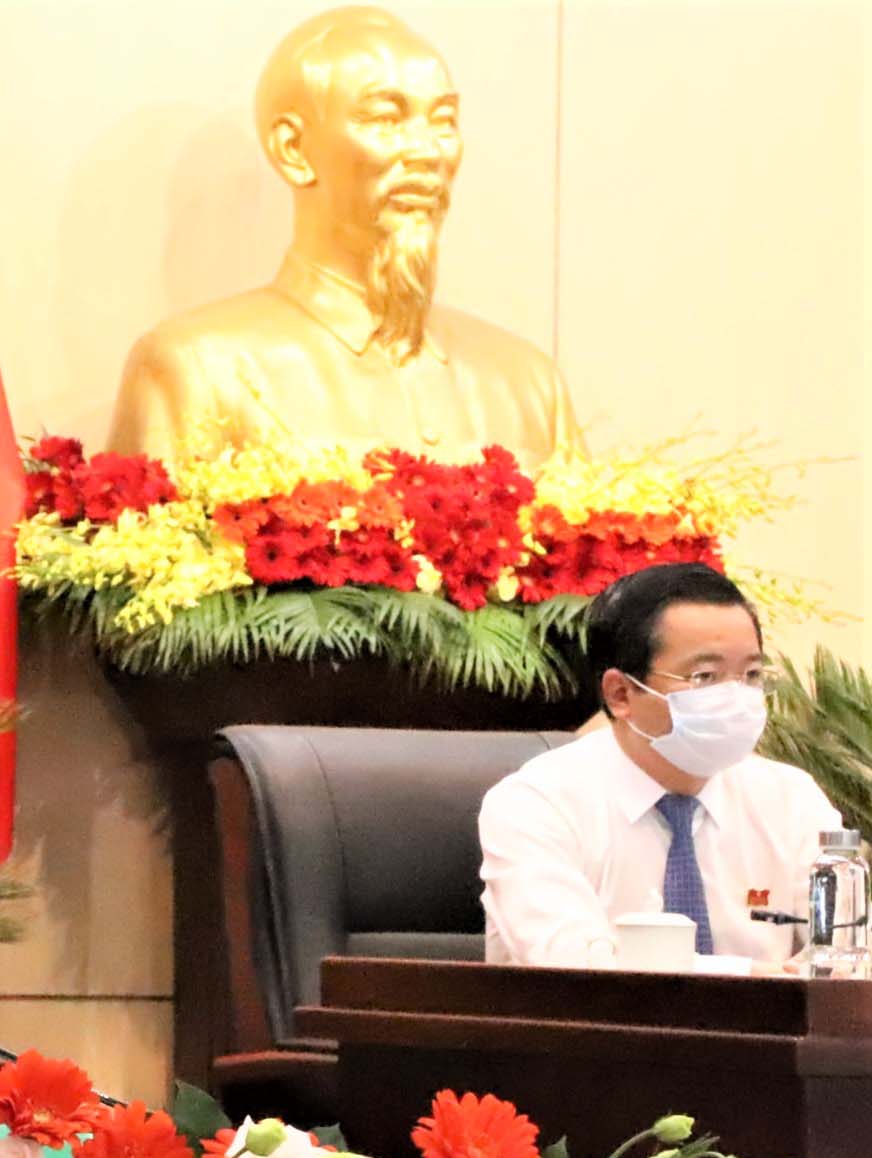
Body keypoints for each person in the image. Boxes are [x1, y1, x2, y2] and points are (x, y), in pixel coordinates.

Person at [107, 5, 580, 468]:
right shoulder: (197, 367)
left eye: (443, 121)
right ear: (293, 149)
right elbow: (155, 544)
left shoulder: (529, 384)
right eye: (385, 119)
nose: (427, 152)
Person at [480, 562, 839, 969]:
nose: (736, 697)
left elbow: (851, 947)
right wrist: (751, 979)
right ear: (620, 693)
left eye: (751, 674)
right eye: (705, 677)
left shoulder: (791, 799)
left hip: (776, 1031)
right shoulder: (536, 803)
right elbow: (571, 964)